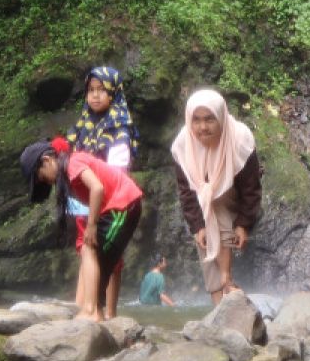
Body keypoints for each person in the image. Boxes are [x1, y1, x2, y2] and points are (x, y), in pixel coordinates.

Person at [21, 136, 143, 321]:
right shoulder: (70, 168)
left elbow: (97, 188)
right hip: (120, 206)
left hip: (122, 204)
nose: (46, 183)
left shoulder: (73, 162)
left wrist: (92, 225)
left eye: (42, 178)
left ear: (47, 161)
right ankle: (97, 312)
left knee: (89, 248)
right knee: (99, 259)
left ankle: (91, 309)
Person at [171, 88, 262, 306]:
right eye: (197, 120)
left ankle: (226, 277)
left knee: (216, 204)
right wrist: (197, 226)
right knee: (202, 235)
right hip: (202, 202)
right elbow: (186, 192)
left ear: (221, 117)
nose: (203, 127)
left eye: (210, 119)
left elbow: (251, 188)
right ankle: (219, 298)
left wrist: (243, 224)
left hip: (234, 198)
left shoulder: (240, 139)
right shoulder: (183, 144)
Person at [65, 66, 140, 317]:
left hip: (109, 197)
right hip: (83, 200)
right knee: (85, 248)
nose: (95, 96)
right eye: (91, 90)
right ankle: (84, 304)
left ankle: (109, 312)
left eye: (102, 90)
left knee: (111, 255)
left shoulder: (119, 126)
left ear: (113, 93)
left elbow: (118, 168)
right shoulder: (83, 125)